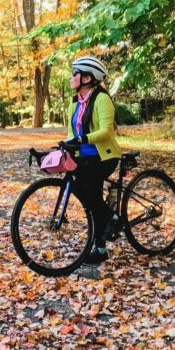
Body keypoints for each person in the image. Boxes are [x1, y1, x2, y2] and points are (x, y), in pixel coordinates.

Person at [61, 55, 122, 264]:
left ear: (86, 78)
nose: (71, 77)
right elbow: (72, 132)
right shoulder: (75, 102)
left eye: (74, 74)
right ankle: (103, 238)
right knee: (85, 192)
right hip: (85, 157)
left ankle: (109, 226)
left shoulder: (102, 99)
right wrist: (65, 145)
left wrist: (83, 138)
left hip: (105, 156)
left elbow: (106, 132)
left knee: (89, 190)